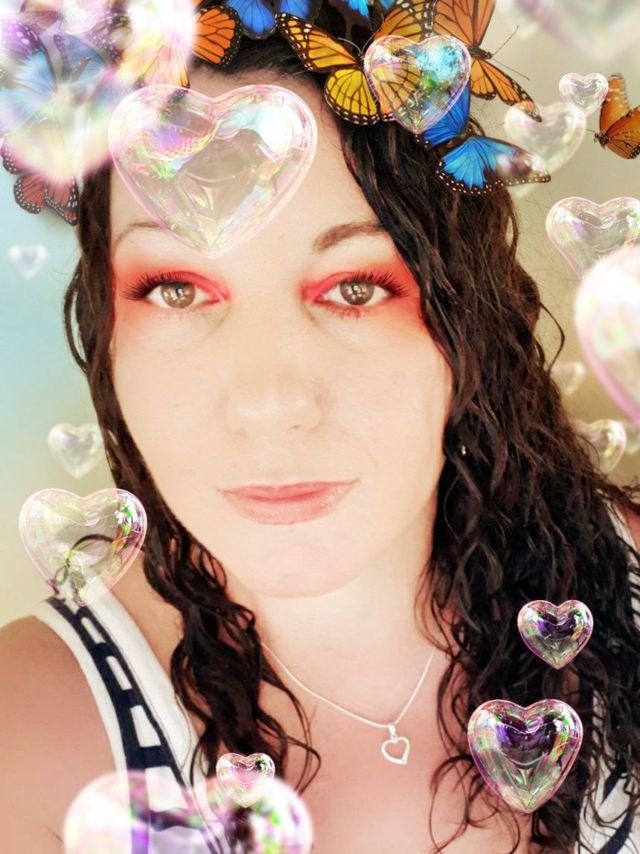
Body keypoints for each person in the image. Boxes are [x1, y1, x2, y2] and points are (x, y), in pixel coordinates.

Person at [1, 29, 639, 854]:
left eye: (356, 288)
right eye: (177, 289)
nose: (270, 404)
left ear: (465, 321)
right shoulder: (29, 741)